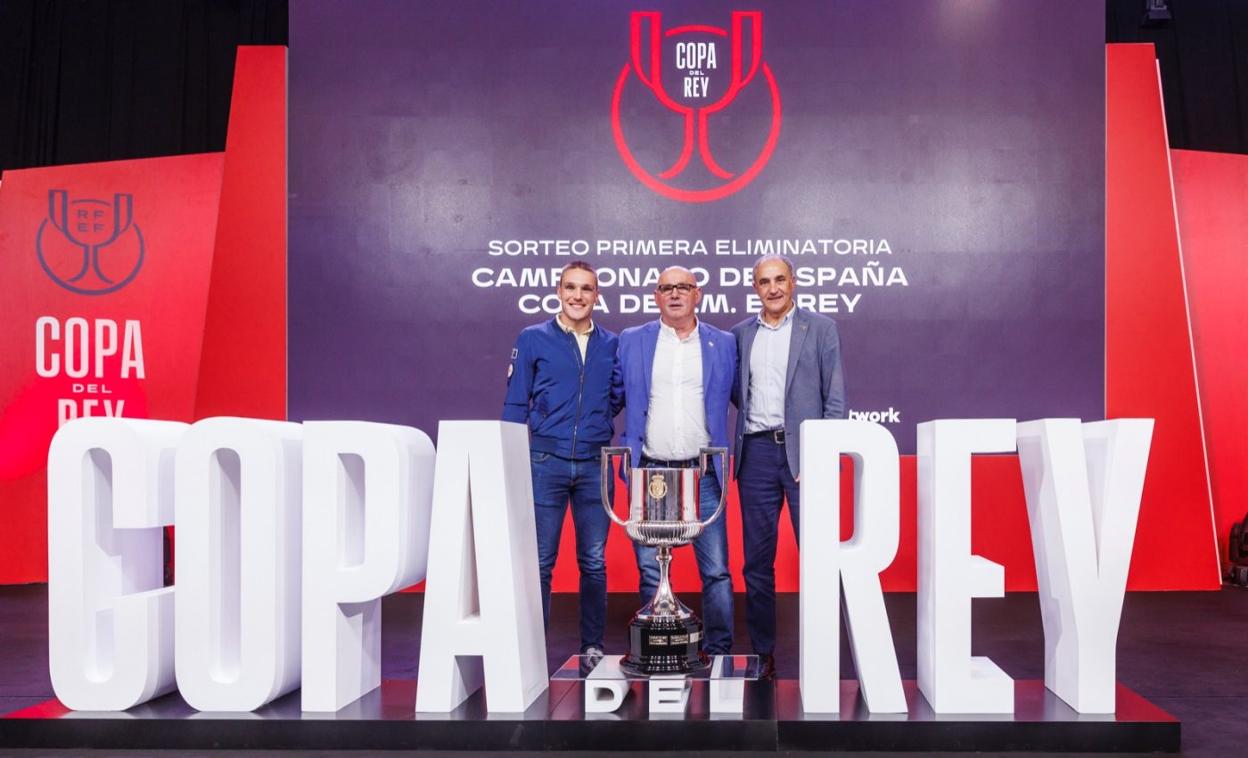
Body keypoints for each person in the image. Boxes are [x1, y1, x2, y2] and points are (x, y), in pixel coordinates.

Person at [731, 254, 845, 679]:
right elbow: (738, 392)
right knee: (757, 563)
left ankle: (823, 650)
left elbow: (835, 397)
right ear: (755, 287)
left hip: (805, 454)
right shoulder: (741, 334)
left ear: (793, 282)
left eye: (780, 279)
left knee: (817, 557)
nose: (773, 288)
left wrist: (823, 454)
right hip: (756, 454)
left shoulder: (821, 328)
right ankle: (763, 653)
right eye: (765, 282)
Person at [502, 261, 622, 662]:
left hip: (594, 465)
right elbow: (515, 403)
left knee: (594, 561)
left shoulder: (611, 343)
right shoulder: (533, 338)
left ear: (596, 296)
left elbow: (615, 396)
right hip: (545, 461)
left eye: (586, 289)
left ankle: (592, 646)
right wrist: (512, 458)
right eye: (571, 287)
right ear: (558, 291)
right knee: (539, 561)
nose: (578, 295)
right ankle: (532, 650)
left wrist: (594, 424)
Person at [617, 266, 737, 655]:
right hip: (651, 472)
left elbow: (744, 397)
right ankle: (658, 648)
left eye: (683, 287)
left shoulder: (724, 343)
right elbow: (611, 395)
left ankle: (719, 653)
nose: (674, 294)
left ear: (697, 294)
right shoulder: (632, 340)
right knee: (650, 569)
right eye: (666, 288)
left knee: (716, 570)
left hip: (703, 473)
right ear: (656, 296)